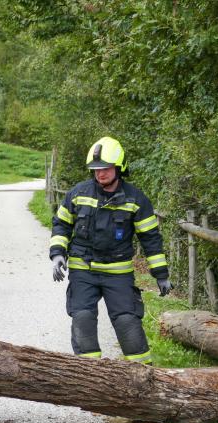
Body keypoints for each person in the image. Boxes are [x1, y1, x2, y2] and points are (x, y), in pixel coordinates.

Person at [50, 136, 171, 365]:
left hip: (118, 273)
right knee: (83, 318)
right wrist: (57, 254)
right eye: (96, 169)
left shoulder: (136, 199)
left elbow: (151, 239)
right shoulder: (78, 193)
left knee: (128, 322)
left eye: (105, 169)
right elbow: (61, 224)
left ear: (119, 167)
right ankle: (89, 380)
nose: (100, 174)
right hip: (82, 269)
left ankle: (143, 380)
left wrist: (161, 275)